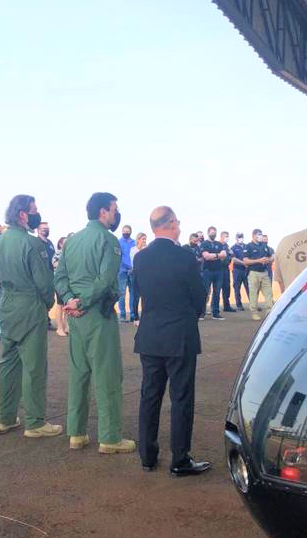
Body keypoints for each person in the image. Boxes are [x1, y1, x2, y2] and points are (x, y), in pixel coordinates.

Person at [54, 192, 136, 454]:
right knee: (107, 375)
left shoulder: (73, 240)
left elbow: (60, 276)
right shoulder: (107, 240)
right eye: (114, 209)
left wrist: (69, 300)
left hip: (77, 318)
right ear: (103, 212)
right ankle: (110, 437)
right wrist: (81, 302)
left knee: (79, 373)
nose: (116, 214)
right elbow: (105, 281)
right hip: (98, 315)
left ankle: (76, 433)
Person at [132, 206, 211, 477]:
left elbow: (140, 291)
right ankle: (180, 459)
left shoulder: (141, 258)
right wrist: (194, 314)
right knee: (181, 397)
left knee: (149, 396)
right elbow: (199, 295)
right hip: (179, 335)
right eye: (177, 222)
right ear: (170, 223)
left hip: (151, 334)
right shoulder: (185, 256)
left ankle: (147, 456)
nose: (179, 226)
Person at [0, 195, 62, 438]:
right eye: (34, 210)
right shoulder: (33, 244)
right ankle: (35, 421)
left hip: (7, 303)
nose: (36, 214)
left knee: (8, 363)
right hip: (29, 305)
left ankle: (6, 417)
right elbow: (44, 283)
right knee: (34, 366)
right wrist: (47, 303)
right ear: (23, 214)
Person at [244, 229, 274, 320]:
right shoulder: (248, 246)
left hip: (264, 273)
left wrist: (269, 260)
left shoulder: (264, 246)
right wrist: (259, 260)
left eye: (261, 234)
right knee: (253, 294)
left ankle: (269, 312)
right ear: (254, 236)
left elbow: (272, 255)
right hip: (253, 273)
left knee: (269, 293)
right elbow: (245, 261)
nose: (261, 236)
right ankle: (254, 312)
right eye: (259, 234)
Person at [200, 226, 228, 320]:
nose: (214, 234)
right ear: (208, 233)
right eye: (212, 233)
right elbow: (206, 256)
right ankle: (201, 313)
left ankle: (215, 313)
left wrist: (214, 256)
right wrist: (217, 255)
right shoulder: (204, 243)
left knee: (217, 292)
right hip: (207, 271)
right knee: (205, 292)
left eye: (215, 233)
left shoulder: (219, 244)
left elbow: (224, 255)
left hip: (218, 271)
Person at [117, 224, 137, 322]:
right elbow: (118, 257)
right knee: (122, 293)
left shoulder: (134, 242)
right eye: (124, 231)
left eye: (127, 231)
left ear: (130, 232)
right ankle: (123, 315)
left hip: (133, 271)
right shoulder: (118, 242)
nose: (125, 232)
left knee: (133, 293)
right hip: (122, 271)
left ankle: (133, 314)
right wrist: (128, 267)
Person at [52, 236, 69, 336]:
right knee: (60, 305)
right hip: (60, 282)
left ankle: (67, 326)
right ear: (60, 244)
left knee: (67, 304)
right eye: (65, 243)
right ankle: (59, 328)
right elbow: (57, 267)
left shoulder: (69, 253)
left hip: (68, 281)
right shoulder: (57, 255)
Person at [130, 233, 147, 322]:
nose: (144, 241)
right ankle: (135, 317)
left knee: (145, 296)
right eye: (143, 239)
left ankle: (144, 316)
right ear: (138, 240)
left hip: (145, 275)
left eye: (145, 239)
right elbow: (134, 262)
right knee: (135, 297)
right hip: (136, 274)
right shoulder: (133, 250)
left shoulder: (147, 250)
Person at [231, 232, 249, 310]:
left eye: (241, 237)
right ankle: (239, 305)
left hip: (247, 270)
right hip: (237, 270)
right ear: (236, 238)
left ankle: (253, 305)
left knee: (249, 288)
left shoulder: (247, 246)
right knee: (237, 288)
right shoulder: (233, 248)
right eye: (239, 237)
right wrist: (243, 263)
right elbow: (233, 259)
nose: (240, 238)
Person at [219, 231, 236, 312]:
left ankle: (226, 306)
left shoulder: (227, 246)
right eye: (226, 236)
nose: (227, 238)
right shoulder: (218, 245)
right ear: (221, 237)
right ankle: (214, 307)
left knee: (227, 288)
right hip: (218, 269)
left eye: (228, 236)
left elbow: (232, 255)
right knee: (217, 288)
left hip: (226, 269)